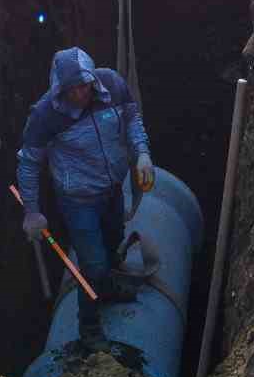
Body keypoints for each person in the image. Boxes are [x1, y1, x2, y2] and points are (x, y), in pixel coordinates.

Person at [16, 47, 154, 350]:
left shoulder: (113, 85)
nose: (80, 93)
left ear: (93, 79)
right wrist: (32, 211)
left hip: (112, 187)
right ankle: (89, 329)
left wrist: (142, 153)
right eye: (72, 88)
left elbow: (132, 119)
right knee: (92, 263)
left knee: (114, 238)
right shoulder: (46, 115)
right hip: (78, 200)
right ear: (60, 88)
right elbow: (28, 163)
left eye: (84, 84)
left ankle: (105, 285)